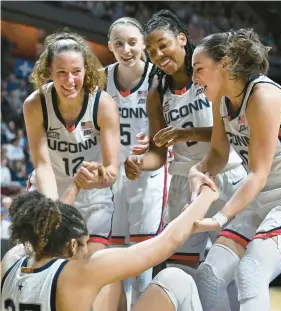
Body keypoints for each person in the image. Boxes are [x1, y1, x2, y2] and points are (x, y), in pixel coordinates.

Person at [124, 10, 246, 310]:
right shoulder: (157, 92)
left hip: (227, 174)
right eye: (151, 51)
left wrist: (181, 133)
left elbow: (228, 130)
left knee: (233, 269)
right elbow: (157, 152)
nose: (157, 55)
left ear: (182, 38)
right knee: (179, 268)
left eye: (162, 45)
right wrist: (140, 164)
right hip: (184, 183)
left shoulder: (210, 72)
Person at [189, 28, 281, 311]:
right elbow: (219, 153)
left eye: (199, 69)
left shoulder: (262, 96)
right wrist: (199, 170)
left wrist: (220, 218)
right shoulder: (223, 100)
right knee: (208, 277)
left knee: (251, 271)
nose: (194, 78)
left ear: (224, 64)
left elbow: (257, 173)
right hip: (262, 196)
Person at [1, 175, 219, 311]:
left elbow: (42, 230)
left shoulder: (10, 263)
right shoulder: (79, 272)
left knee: (111, 288)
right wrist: (206, 196)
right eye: (84, 244)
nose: (87, 251)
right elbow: (165, 243)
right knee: (176, 279)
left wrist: (75, 188)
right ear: (72, 246)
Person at [23, 29, 120, 310]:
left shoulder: (102, 104)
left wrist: (100, 175)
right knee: (41, 267)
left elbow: (112, 168)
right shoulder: (35, 104)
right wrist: (55, 210)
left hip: (93, 197)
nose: (69, 80)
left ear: (86, 70)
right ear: (48, 71)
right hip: (49, 192)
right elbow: (42, 164)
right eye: (61, 72)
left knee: (94, 270)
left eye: (76, 71)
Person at [104, 17, 168, 305]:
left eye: (132, 42)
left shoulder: (158, 77)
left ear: (143, 44)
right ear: (110, 46)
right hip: (113, 173)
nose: (126, 49)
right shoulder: (102, 78)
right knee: (116, 257)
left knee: (141, 257)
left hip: (149, 172)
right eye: (119, 43)